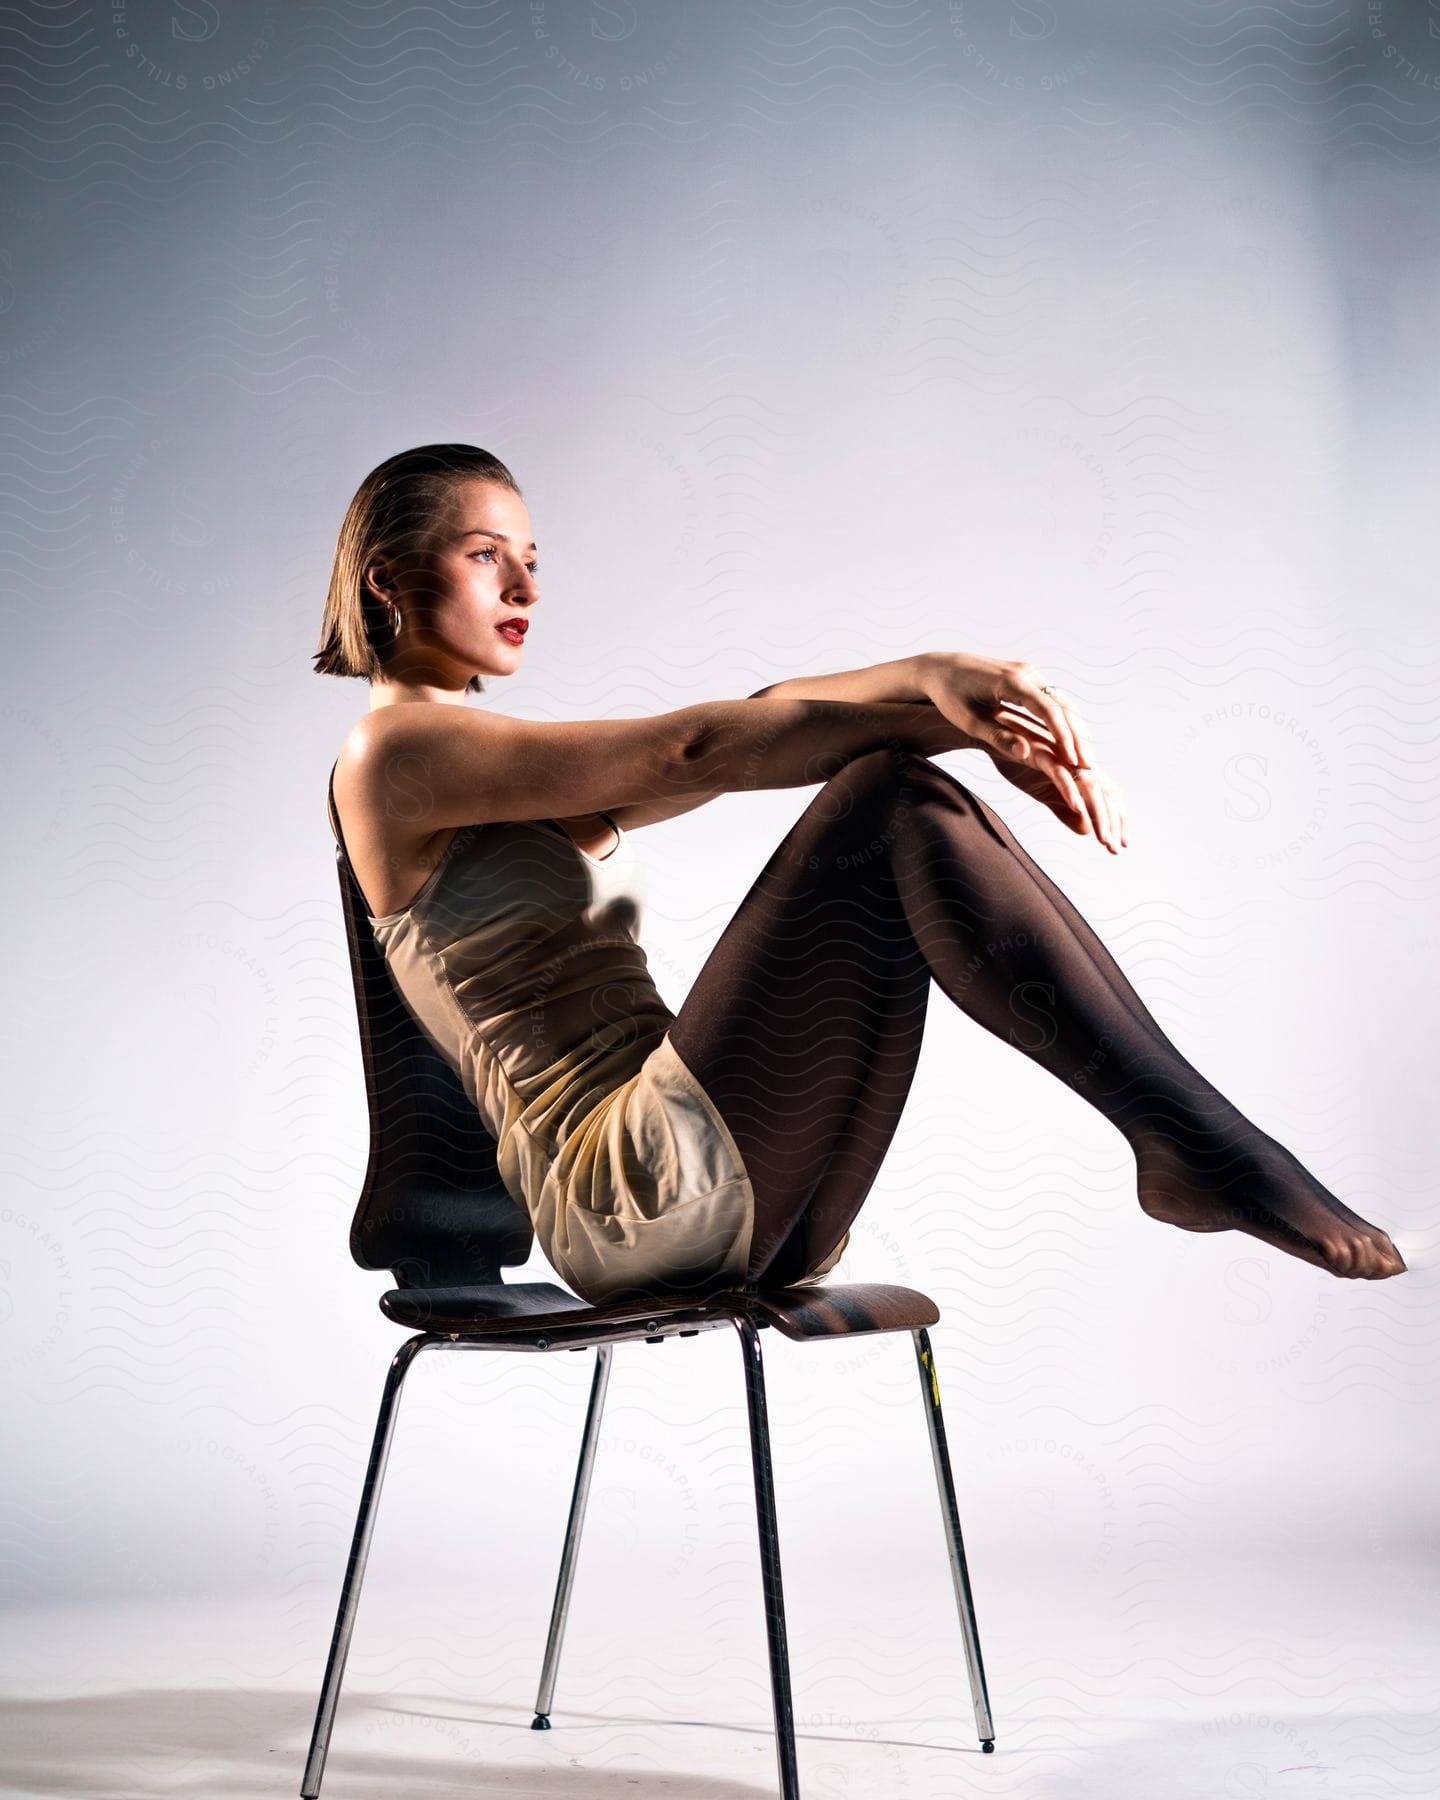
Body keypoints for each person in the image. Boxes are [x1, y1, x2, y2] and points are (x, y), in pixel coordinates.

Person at [314, 443, 1406, 1301]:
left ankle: (1193, 1145)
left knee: (894, 796)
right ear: (391, 580)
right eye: (484, 554)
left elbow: (751, 715)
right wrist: (956, 730)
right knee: (885, 798)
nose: (525, 586)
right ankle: (1201, 1145)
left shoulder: (499, 776)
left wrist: (931, 677)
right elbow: (693, 750)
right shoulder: (393, 757)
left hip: (737, 1183)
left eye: (534, 559)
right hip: (628, 1195)